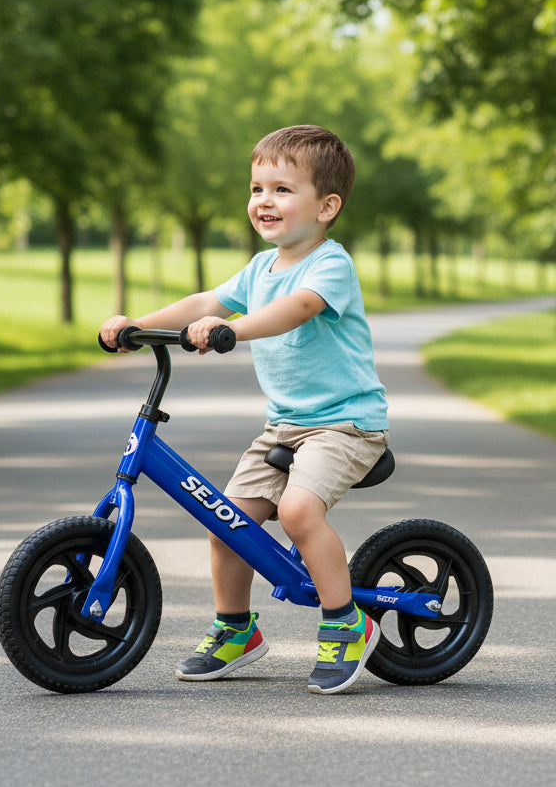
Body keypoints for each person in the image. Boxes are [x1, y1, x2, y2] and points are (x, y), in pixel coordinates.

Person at [100, 124, 389, 694]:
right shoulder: (260, 268)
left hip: (346, 425)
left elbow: (295, 310)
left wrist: (231, 329)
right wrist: (142, 323)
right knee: (226, 521)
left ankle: (347, 622)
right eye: (257, 188)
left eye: (282, 190)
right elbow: (205, 301)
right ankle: (237, 630)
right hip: (285, 426)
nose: (264, 201)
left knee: (302, 513)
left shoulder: (330, 265)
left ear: (327, 206)